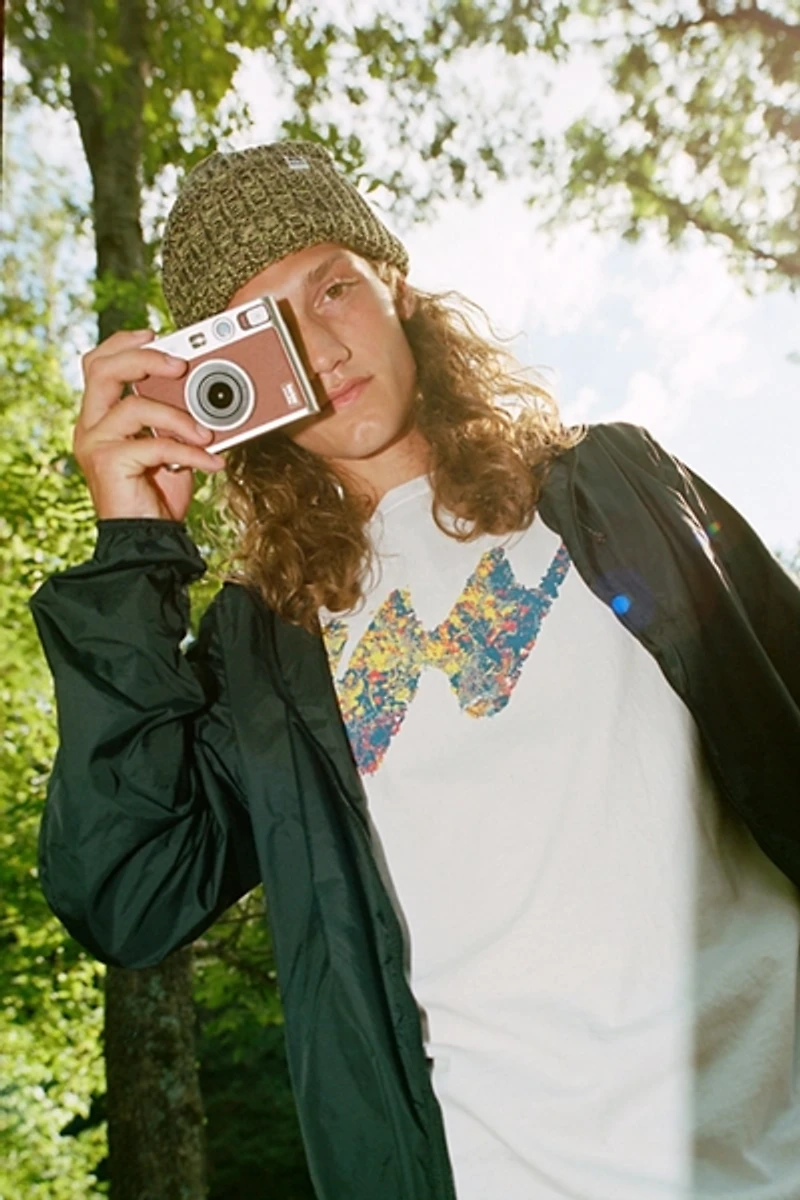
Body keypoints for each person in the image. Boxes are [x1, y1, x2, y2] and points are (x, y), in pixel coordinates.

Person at [30, 142, 800, 1200]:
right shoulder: (268, 649)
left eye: (332, 287)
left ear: (394, 285)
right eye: (264, 331)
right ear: (220, 386)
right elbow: (129, 890)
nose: (320, 347)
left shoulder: (612, 484)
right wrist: (132, 552)